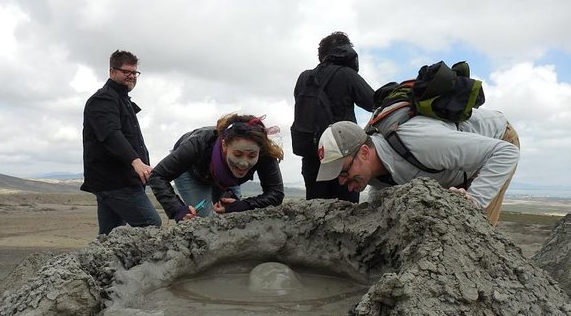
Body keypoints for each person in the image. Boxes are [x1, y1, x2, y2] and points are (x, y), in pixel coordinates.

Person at [315, 109, 520, 225]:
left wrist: (474, 201)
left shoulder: (421, 142)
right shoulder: (376, 177)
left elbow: (504, 153)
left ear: (364, 153)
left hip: (497, 141)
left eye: (343, 172)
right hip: (451, 167)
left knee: (474, 226)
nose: (342, 182)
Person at [81, 50, 162, 235]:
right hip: (116, 181)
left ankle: (103, 264)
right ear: (112, 72)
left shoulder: (121, 100)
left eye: (134, 73)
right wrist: (136, 161)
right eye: (126, 72)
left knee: (110, 236)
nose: (132, 76)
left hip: (115, 181)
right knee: (151, 224)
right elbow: (110, 134)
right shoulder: (103, 99)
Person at [149, 113, 285, 222]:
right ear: (225, 146)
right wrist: (177, 209)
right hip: (192, 172)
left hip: (227, 178)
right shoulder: (198, 144)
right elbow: (157, 176)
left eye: (252, 156)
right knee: (202, 219)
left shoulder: (265, 151)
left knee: (234, 216)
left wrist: (244, 205)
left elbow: (276, 193)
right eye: (238, 154)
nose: (244, 163)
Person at [293, 31, 374, 203]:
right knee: (347, 214)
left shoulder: (304, 78)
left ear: (321, 55)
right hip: (344, 159)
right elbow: (374, 103)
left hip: (312, 157)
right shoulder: (347, 74)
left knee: (315, 213)